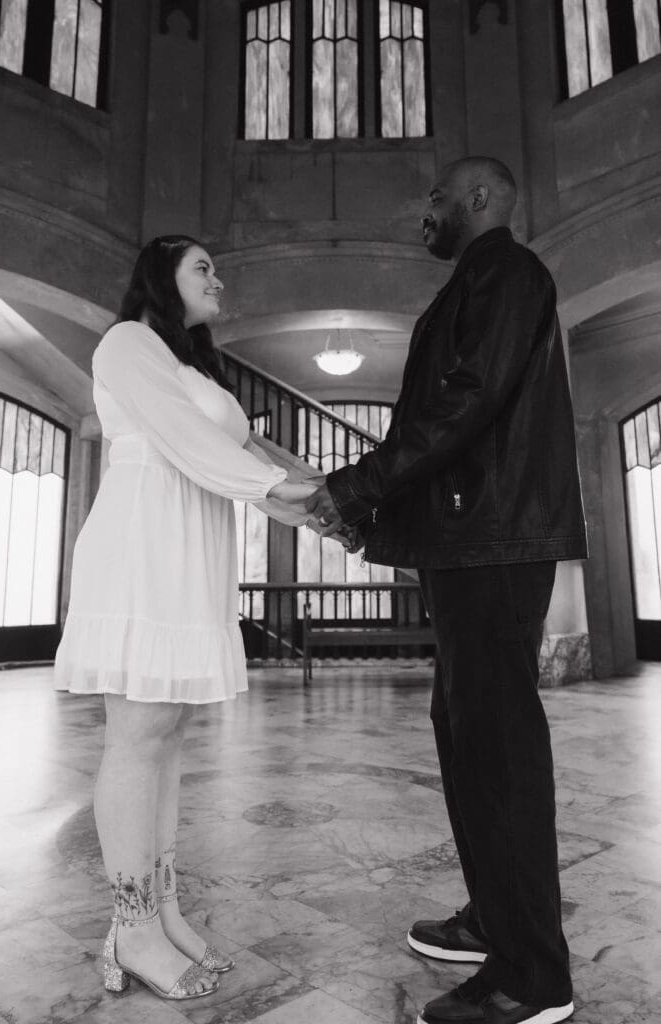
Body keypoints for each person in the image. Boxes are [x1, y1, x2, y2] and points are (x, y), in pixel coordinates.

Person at [306, 157, 587, 1024]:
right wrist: (380, 512)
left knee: (496, 750)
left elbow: (465, 403)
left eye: (434, 197)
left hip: (494, 541)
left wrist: (359, 484)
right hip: (471, 541)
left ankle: (531, 976)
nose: (419, 209)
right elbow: (452, 417)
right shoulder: (480, 278)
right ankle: (493, 918)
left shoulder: (507, 271)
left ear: (479, 200)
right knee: (465, 739)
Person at [54, 235, 329, 1001]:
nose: (217, 277)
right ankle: (131, 925)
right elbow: (187, 443)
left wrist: (331, 496)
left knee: (167, 735)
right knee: (137, 735)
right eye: (201, 266)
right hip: (143, 547)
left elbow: (246, 445)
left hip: (191, 552)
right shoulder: (126, 343)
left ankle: (163, 910)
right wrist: (300, 499)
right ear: (160, 275)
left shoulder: (189, 363)